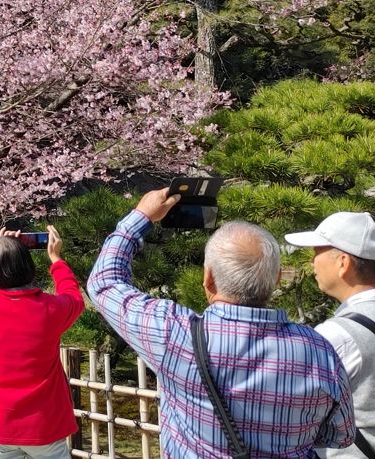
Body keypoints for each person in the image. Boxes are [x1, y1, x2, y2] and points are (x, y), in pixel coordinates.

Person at [87, 188, 355, 458]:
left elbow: (104, 283)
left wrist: (141, 216)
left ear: (208, 279)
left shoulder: (174, 335)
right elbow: (340, 434)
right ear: (276, 280)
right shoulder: (318, 350)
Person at [286, 212, 375, 459]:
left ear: (343, 262)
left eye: (317, 252)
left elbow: (296, 412)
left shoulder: (338, 333)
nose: (312, 263)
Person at [0, 226, 84, 459]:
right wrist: (56, 260)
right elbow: (73, 296)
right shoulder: (51, 310)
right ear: (29, 268)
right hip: (44, 422)